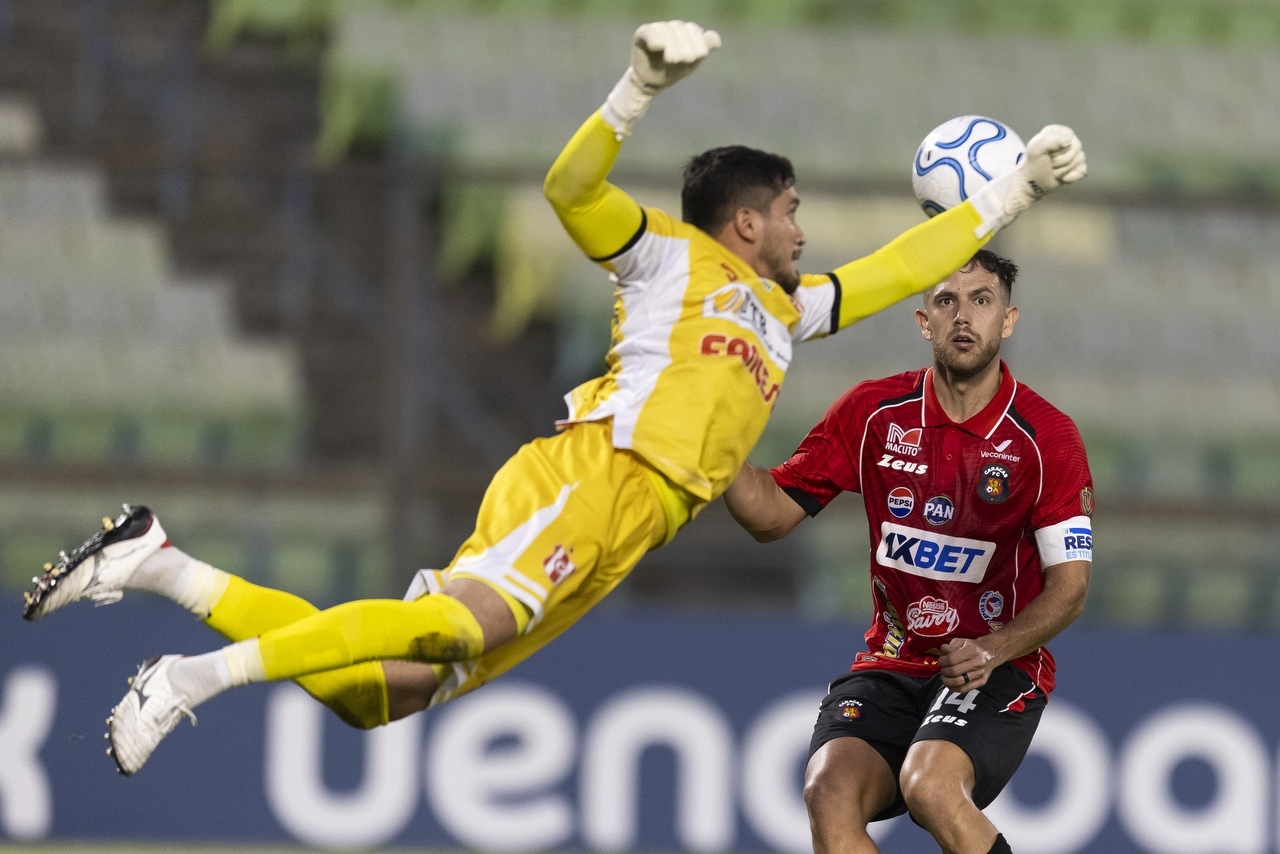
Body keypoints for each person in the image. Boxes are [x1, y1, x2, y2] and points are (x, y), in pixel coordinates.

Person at [23, 21, 1087, 777]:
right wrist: (635, 90)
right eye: (792, 210)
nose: (806, 229)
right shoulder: (667, 260)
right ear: (746, 220)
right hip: (594, 474)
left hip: (630, 532)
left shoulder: (784, 307)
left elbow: (901, 268)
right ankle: (191, 679)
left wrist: (1010, 195)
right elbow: (568, 191)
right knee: (449, 622)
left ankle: (152, 557)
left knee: (374, 696)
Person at [722, 249, 1093, 854]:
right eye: (946, 301)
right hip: (893, 662)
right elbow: (771, 516)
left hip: (997, 667)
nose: (963, 316)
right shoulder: (874, 412)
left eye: (982, 300)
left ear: (1009, 320)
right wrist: (710, 449)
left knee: (931, 784)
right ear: (924, 321)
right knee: (827, 790)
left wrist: (992, 649)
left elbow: (1071, 588)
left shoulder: (1046, 436)